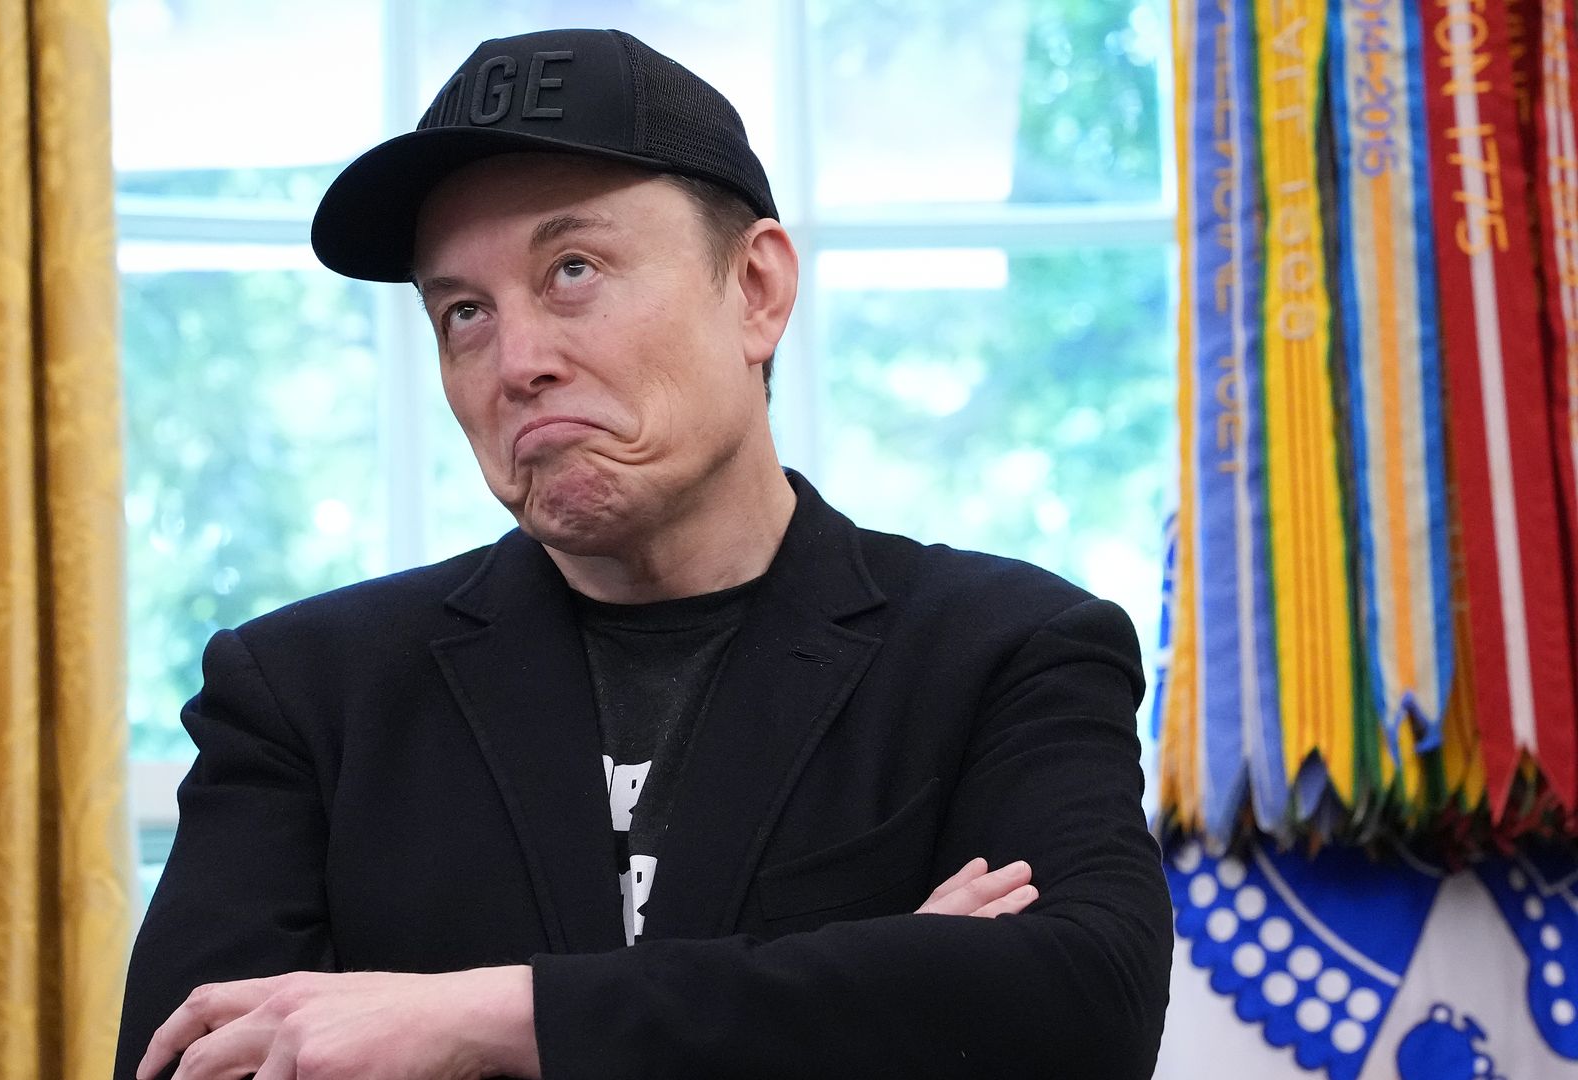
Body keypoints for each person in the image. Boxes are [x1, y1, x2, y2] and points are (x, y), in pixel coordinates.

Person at [115, 27, 1171, 1080]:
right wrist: (885, 989)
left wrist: (478, 1017)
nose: (517, 361)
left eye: (573, 269)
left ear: (754, 289)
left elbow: (1082, 1013)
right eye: (464, 313)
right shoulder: (306, 696)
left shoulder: (1004, 651)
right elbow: (187, 1065)